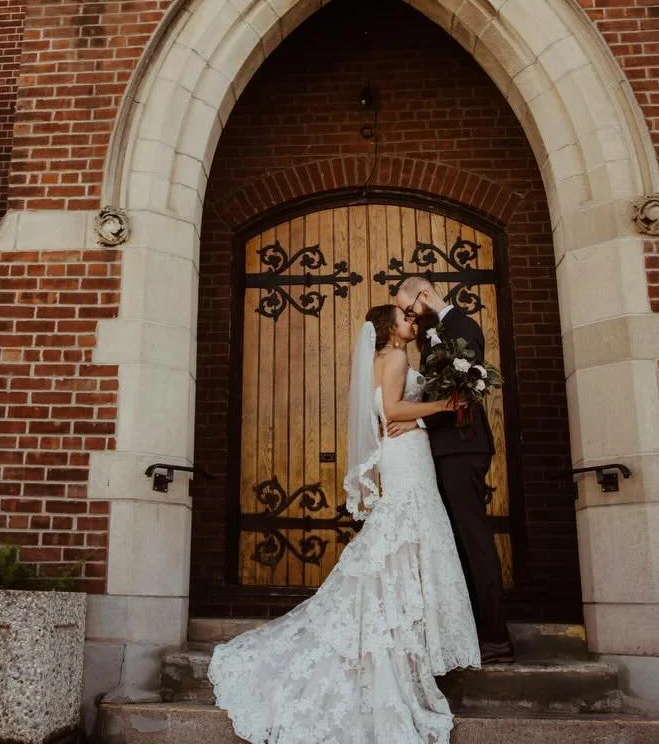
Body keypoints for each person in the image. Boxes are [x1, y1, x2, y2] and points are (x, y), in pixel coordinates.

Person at [209, 304, 479, 744]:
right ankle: (402, 629)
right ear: (389, 328)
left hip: (401, 453)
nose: (413, 321)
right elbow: (391, 409)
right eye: (405, 317)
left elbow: (387, 409)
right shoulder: (396, 357)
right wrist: (445, 405)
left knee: (403, 534)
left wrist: (420, 411)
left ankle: (399, 627)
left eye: (413, 317)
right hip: (407, 454)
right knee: (409, 531)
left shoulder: (380, 358)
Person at [395, 276, 513, 663]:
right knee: (457, 541)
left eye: (410, 309)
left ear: (424, 295)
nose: (411, 317)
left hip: (463, 446)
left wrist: (418, 421)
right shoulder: (436, 333)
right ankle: (469, 630)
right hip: (446, 449)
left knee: (473, 538)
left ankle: (496, 637)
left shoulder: (462, 326)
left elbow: (462, 393)